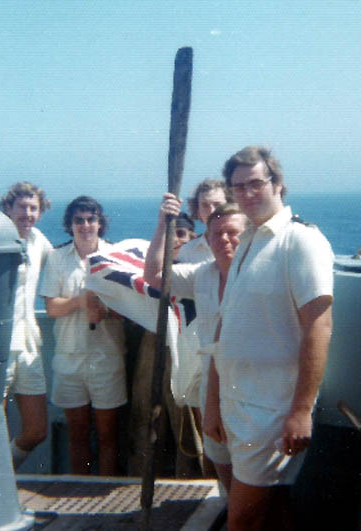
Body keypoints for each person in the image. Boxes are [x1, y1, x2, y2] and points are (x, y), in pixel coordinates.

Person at [204, 146, 334, 530]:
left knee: (241, 520)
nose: (246, 193)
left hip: (271, 412)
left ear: (277, 184)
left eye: (256, 183)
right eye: (238, 187)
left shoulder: (300, 241)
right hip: (237, 404)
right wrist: (213, 402)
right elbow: (225, 328)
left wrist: (301, 411)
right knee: (272, 513)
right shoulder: (248, 242)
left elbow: (319, 326)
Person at [144, 199, 248, 494]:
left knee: (254, 485)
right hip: (212, 392)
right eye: (216, 234)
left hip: (251, 392)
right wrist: (162, 225)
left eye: (233, 233)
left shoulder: (261, 277)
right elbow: (153, 276)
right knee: (224, 473)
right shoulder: (202, 274)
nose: (224, 239)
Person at [39, 196, 126, 475]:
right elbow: (52, 307)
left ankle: (105, 490)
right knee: (77, 434)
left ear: (100, 223)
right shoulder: (57, 258)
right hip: (70, 359)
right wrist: (81, 301)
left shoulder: (116, 256)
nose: (85, 225)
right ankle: (79, 488)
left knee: (108, 434)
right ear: (70, 225)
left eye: (91, 219)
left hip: (107, 358)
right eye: (79, 220)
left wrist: (104, 310)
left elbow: (129, 309)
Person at [126, 211, 203, 479]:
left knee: (185, 421)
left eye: (181, 234)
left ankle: (191, 479)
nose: (175, 240)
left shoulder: (199, 270)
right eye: (170, 235)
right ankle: (142, 477)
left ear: (193, 237)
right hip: (153, 343)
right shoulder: (148, 270)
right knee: (145, 415)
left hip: (186, 345)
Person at [0, 181, 53, 470]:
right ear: (8, 208)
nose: (28, 213)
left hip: (28, 342)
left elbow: (65, 263)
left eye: (34, 208)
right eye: (22, 206)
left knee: (37, 430)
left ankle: (2, 475)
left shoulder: (38, 241)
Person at [177, 179, 228, 264]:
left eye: (217, 204)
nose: (212, 211)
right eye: (205, 205)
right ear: (197, 210)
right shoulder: (186, 252)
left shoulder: (245, 244)